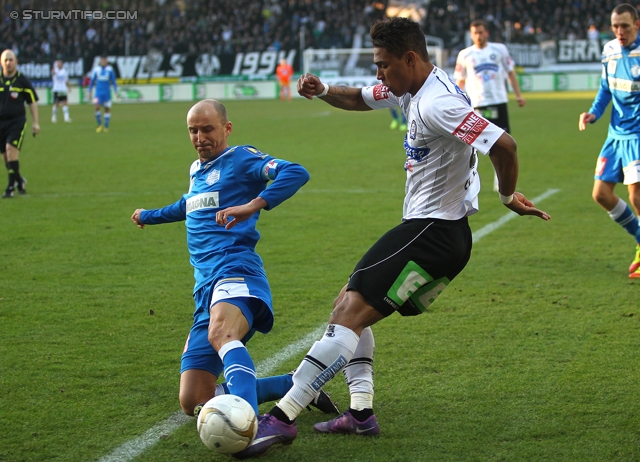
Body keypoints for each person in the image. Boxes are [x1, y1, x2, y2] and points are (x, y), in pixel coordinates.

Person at [233, 17, 550, 459]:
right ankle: (361, 414)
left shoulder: (439, 103)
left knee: (347, 310)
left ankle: (282, 419)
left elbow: (505, 145)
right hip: (434, 232)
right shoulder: (411, 86)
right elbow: (362, 97)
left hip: (433, 231)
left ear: (410, 58)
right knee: (349, 300)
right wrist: (324, 90)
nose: (378, 73)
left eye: (383, 64)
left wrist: (506, 194)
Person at [131, 99, 339, 421]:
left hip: (235, 270)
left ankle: (251, 428)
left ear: (227, 128)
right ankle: (294, 385)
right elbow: (189, 206)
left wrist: (253, 205)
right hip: (205, 288)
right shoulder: (196, 170)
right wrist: (150, 215)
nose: (199, 137)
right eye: (193, 130)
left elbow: (295, 172)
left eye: (207, 129)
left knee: (222, 334)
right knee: (194, 399)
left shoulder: (241, 158)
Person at [579, 3, 640, 279]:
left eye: (625, 26)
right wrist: (593, 113)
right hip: (615, 135)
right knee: (601, 194)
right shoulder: (610, 51)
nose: (619, 31)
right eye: (615, 26)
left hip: (637, 136)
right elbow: (605, 88)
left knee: (636, 195)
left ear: (636, 25)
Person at [454, 19, 526, 192]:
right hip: (477, 104)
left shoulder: (499, 50)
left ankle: (500, 181)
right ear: (471, 35)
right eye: (475, 33)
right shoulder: (465, 54)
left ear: (487, 33)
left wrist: (518, 95)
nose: (478, 36)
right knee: (470, 146)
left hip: (498, 101)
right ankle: (468, 181)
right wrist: (456, 102)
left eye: (481, 32)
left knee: (503, 144)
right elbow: (460, 81)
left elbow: (510, 73)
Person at [0, 49, 39, 199]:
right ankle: (20, 181)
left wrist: (36, 123)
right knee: (6, 158)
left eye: (11, 60)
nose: (8, 63)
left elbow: (32, 102)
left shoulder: (22, 80)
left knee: (11, 150)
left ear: (16, 62)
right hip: (0, 123)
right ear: (1, 62)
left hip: (17, 122)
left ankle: (10, 188)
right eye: (6, 60)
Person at [88, 55, 117, 133]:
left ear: (106, 61)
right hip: (98, 93)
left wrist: (116, 91)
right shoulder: (96, 69)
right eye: (102, 60)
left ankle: (106, 126)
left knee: (107, 109)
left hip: (107, 93)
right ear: (100, 61)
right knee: (96, 106)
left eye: (105, 60)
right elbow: (92, 81)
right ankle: (99, 124)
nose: (103, 62)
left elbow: (113, 81)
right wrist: (90, 91)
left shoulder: (110, 69)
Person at [51, 59, 71, 123]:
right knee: (57, 104)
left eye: (60, 63)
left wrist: (69, 87)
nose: (59, 64)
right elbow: (53, 72)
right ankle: (53, 117)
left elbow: (66, 80)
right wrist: (54, 67)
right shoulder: (55, 71)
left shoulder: (64, 71)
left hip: (63, 89)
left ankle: (66, 118)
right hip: (56, 89)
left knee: (65, 103)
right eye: (58, 63)